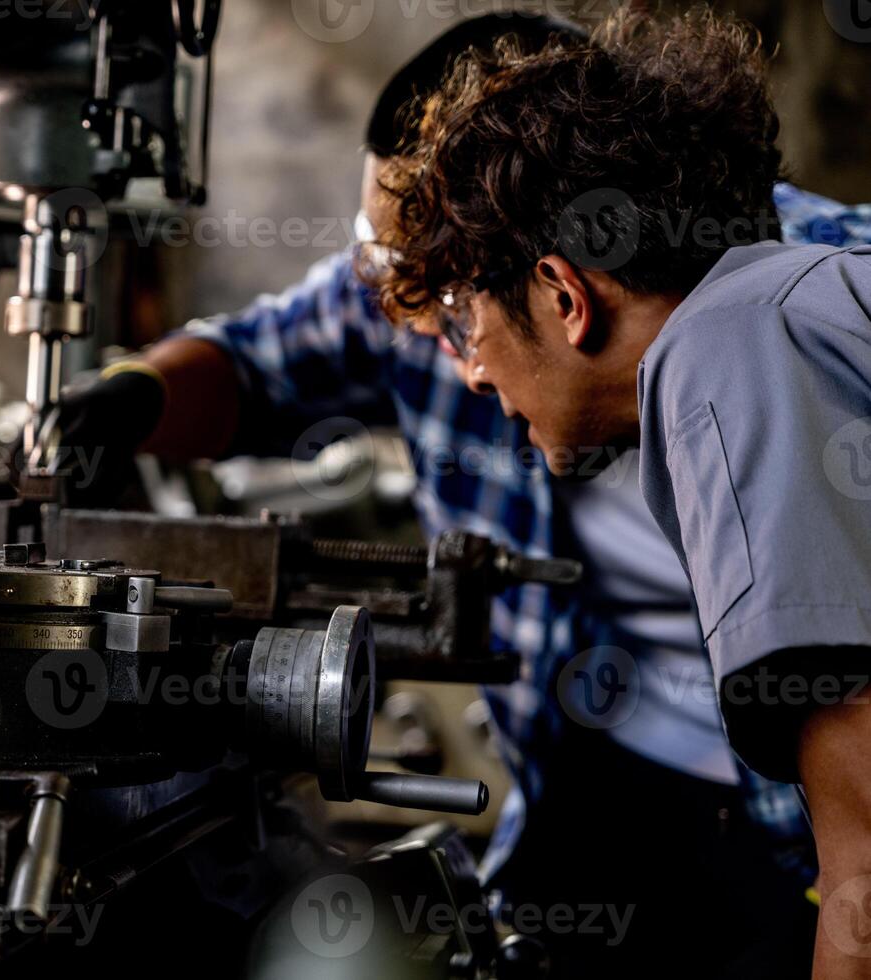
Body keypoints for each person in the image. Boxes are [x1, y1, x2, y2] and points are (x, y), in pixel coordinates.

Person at [54, 11, 871, 978]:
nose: (451, 355)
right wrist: (121, 398)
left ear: (552, 271)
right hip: (601, 770)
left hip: (786, 809)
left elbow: (861, 856)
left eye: (452, 309)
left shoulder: (744, 343)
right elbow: (252, 365)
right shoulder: (512, 293)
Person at [365, 9, 871, 979]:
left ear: (563, 293)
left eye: (466, 321)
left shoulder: (729, 353)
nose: (468, 372)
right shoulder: (797, 303)